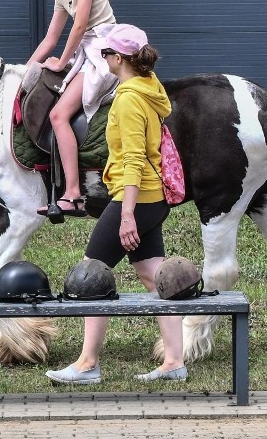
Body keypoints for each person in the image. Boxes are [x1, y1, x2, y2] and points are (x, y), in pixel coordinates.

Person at [45, 24, 186, 385]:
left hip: (135, 199)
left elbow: (135, 160)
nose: (103, 57)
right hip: (153, 199)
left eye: (106, 53)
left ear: (119, 59)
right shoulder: (149, 87)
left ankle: (87, 364)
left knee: (91, 275)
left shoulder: (128, 99)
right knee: (153, 274)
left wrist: (126, 216)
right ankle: (174, 361)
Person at [27, 0, 118, 217]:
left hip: (102, 53)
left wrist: (63, 61)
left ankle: (74, 194)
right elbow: (51, 37)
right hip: (84, 52)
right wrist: (25, 71)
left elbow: (80, 26)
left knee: (58, 114)